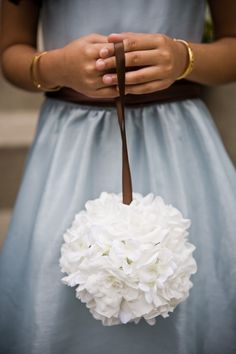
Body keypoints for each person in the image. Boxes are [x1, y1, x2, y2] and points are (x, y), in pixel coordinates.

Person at [0, 0, 236, 353]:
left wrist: (184, 58)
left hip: (176, 139)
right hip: (70, 145)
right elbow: (10, 51)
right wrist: (55, 66)